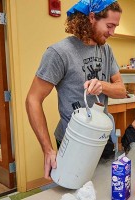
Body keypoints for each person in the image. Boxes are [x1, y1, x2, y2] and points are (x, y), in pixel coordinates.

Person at [26, 0, 126, 179]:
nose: (112, 32)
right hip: (73, 140)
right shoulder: (59, 53)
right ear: (92, 17)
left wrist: (102, 85)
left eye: (115, 27)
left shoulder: (106, 50)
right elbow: (32, 100)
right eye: (109, 26)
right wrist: (47, 150)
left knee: (104, 186)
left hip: (102, 136)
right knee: (74, 189)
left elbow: (121, 90)